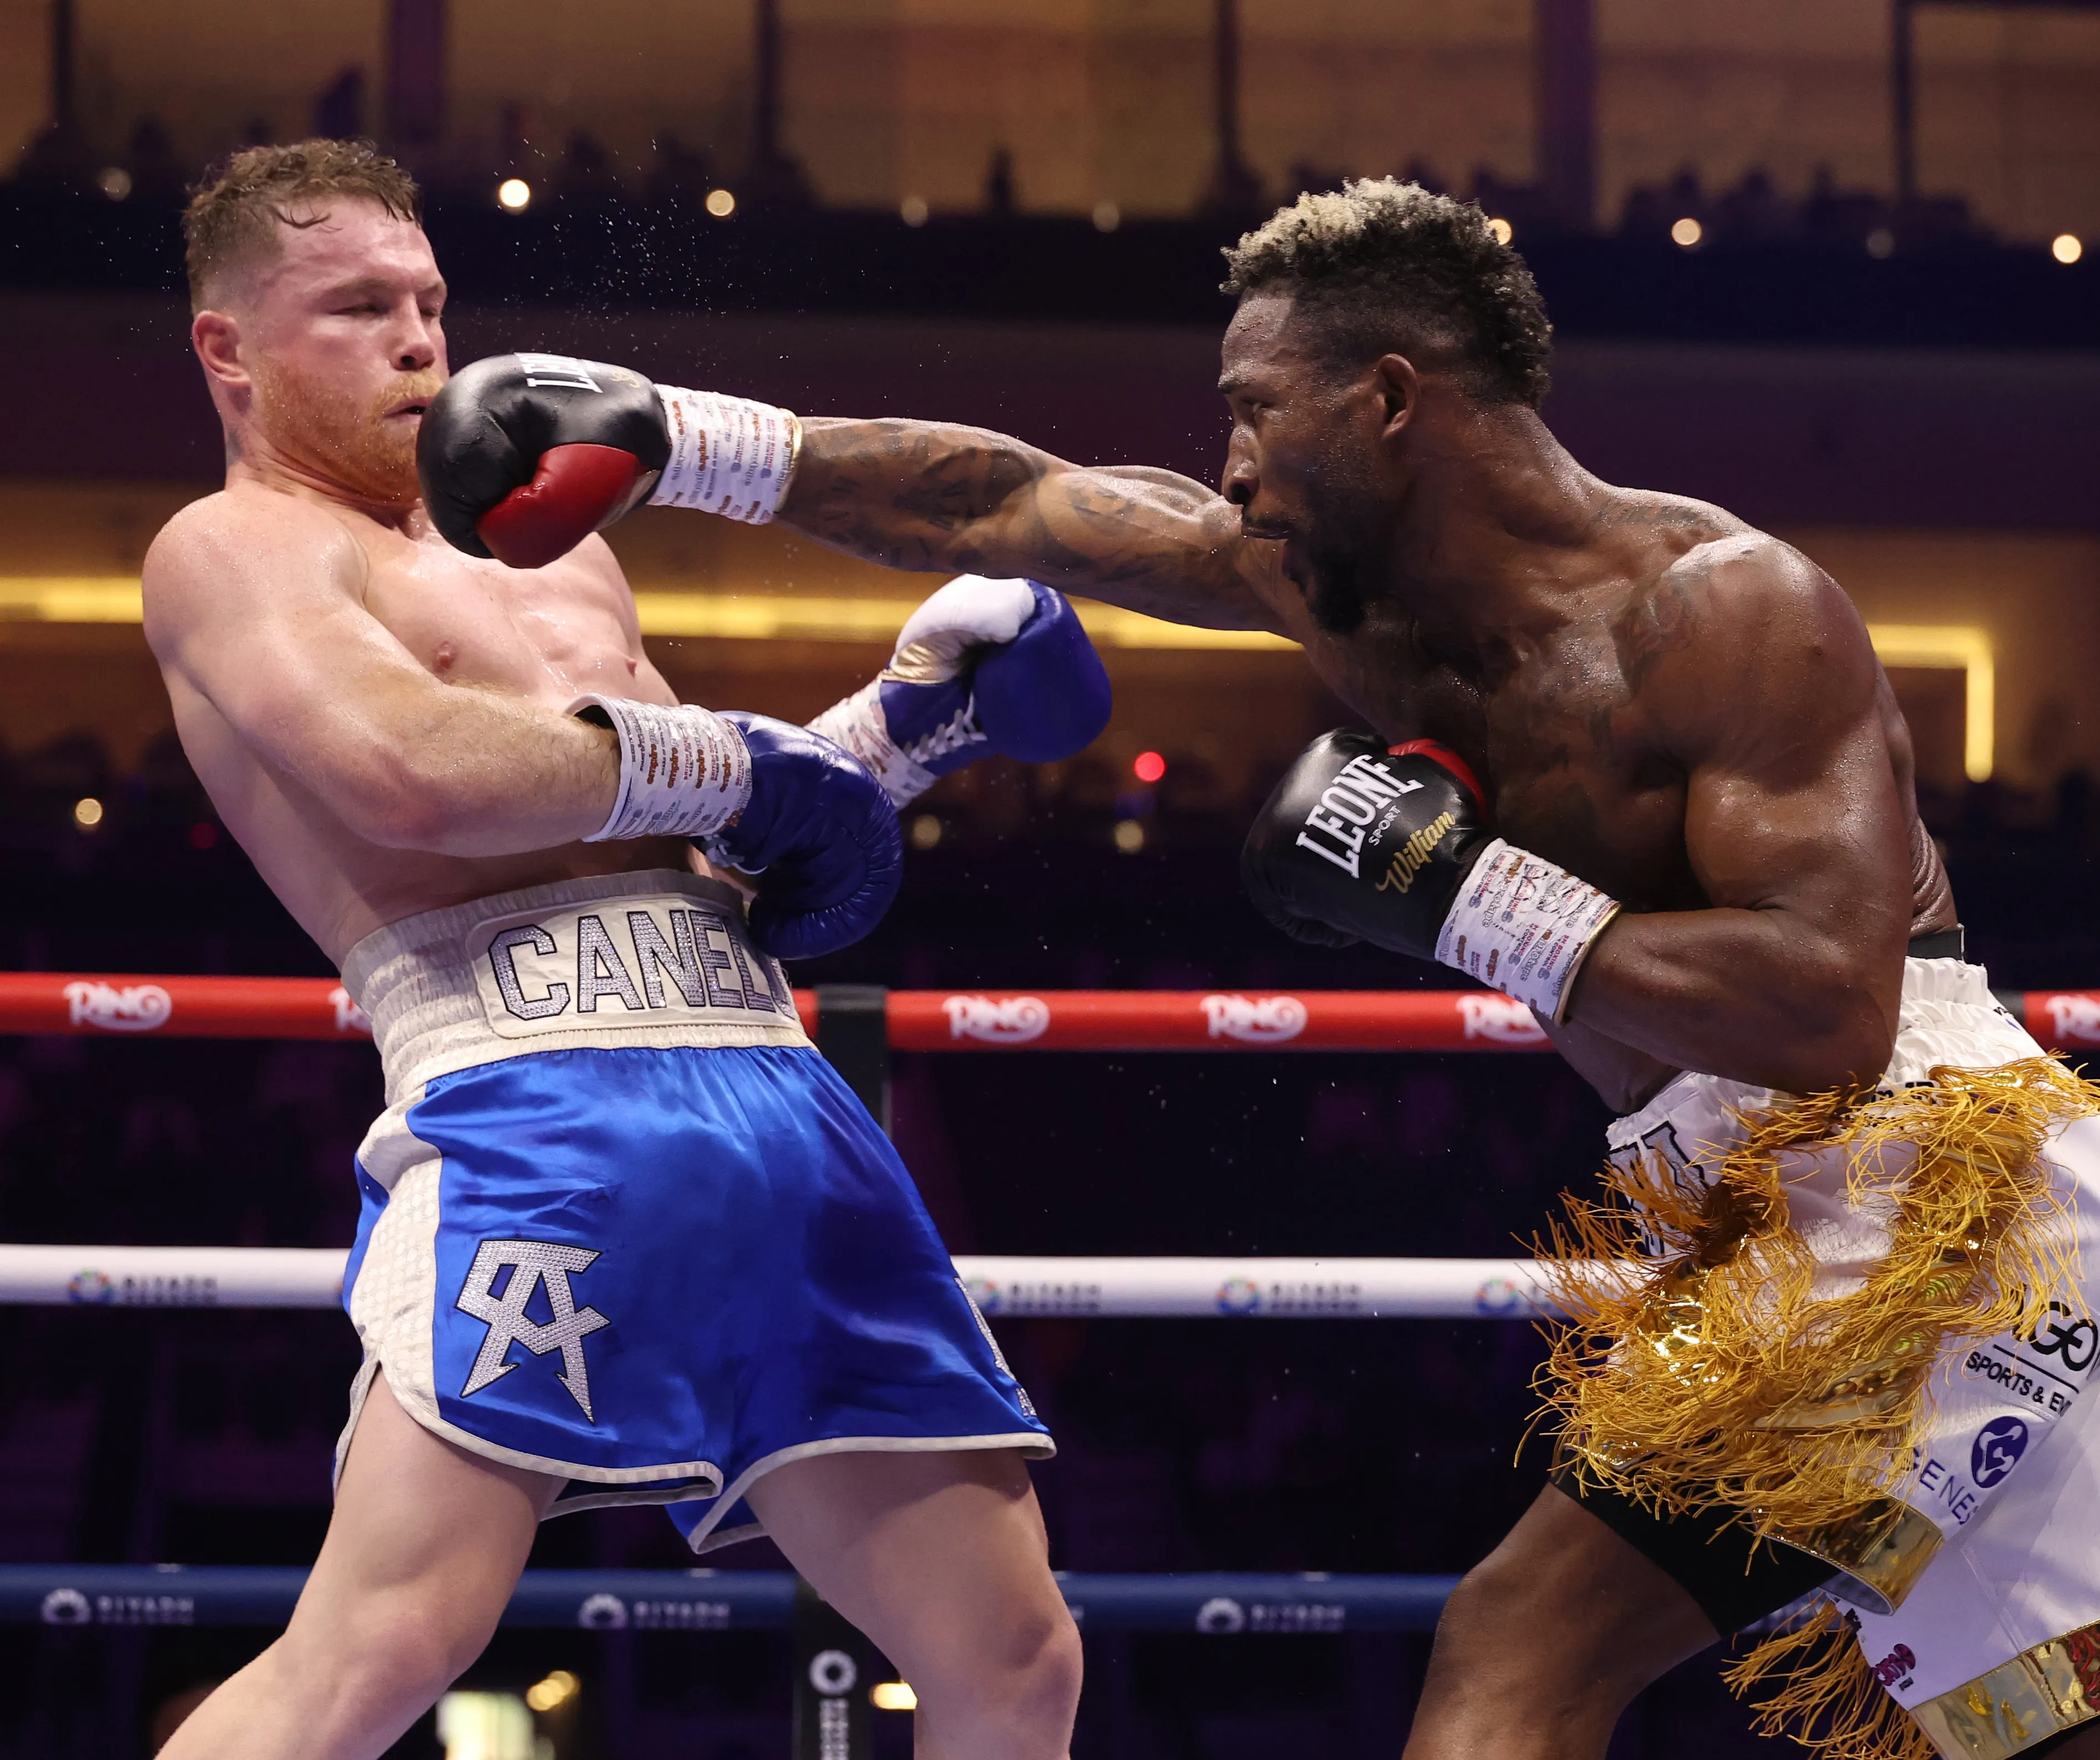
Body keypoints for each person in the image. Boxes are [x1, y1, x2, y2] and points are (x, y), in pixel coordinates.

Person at [421, 178, 2100, 1759]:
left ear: (1388, 398)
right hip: (1768, 1204)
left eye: (1256, 408)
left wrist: (1466, 897)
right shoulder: (1333, 597)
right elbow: (1013, 503)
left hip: (1918, 1191)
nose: (1228, 467)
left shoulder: (1730, 615)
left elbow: (1828, 1009)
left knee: (1516, 1654)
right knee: (2028, 1721)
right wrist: (681, 439)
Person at [143, 140, 1105, 1760]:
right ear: (226, 349)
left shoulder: (549, 541)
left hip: (768, 1085)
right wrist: (744, 761)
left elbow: (699, 831)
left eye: (431, 302)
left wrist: (902, 723)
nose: (419, 342)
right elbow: (416, 774)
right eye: (359, 307)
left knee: (1014, 1661)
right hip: (537, 1099)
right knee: (379, 1652)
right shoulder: (232, 554)